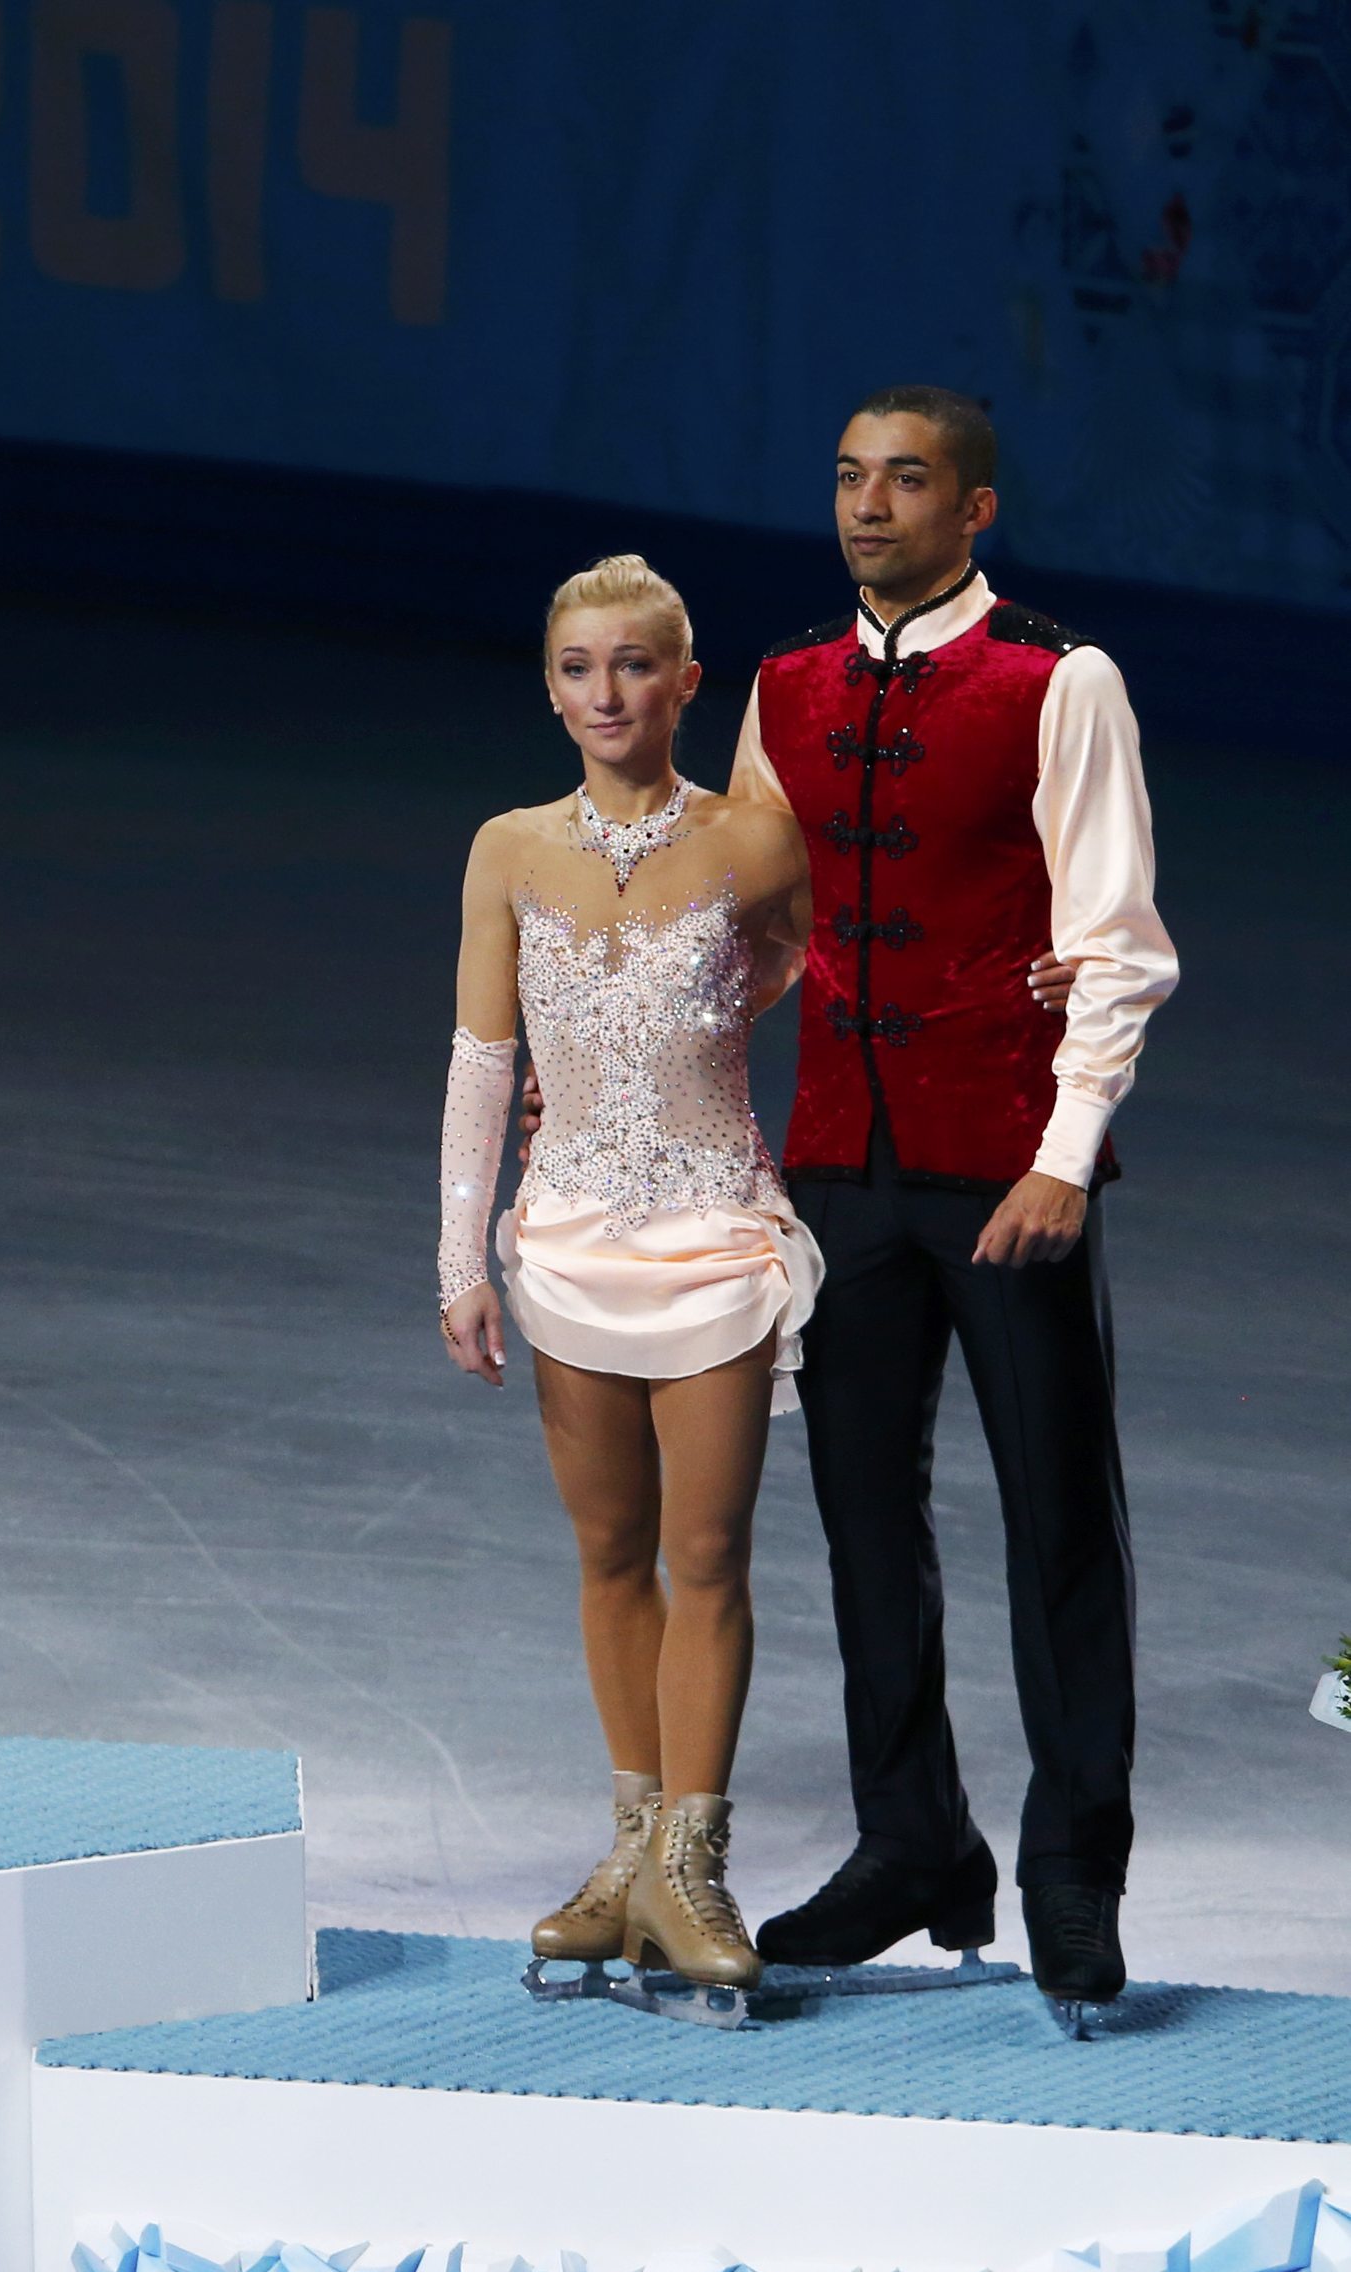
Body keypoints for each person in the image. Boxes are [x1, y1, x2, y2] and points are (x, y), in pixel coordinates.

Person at [732, 387, 1175, 2011]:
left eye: (906, 480)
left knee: (1060, 1517)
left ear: (974, 509)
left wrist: (1064, 1158)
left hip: (1003, 1166)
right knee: (862, 1516)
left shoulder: (1058, 681)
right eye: (849, 476)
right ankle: (913, 1842)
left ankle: (1073, 1864)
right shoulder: (783, 687)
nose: (869, 506)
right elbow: (761, 934)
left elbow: (1117, 937)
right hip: (843, 1165)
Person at [440, 556, 814, 1993]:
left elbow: (810, 961)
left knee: (707, 1553)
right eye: (580, 668)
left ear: (686, 683)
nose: (607, 692)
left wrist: (702, 1021)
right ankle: (634, 1847)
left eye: (635, 667)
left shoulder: (758, 841)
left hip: (714, 1234)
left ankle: (695, 1868)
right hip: (570, 1239)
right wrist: (458, 1259)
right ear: (551, 686)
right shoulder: (508, 848)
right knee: (608, 1553)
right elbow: (485, 1059)